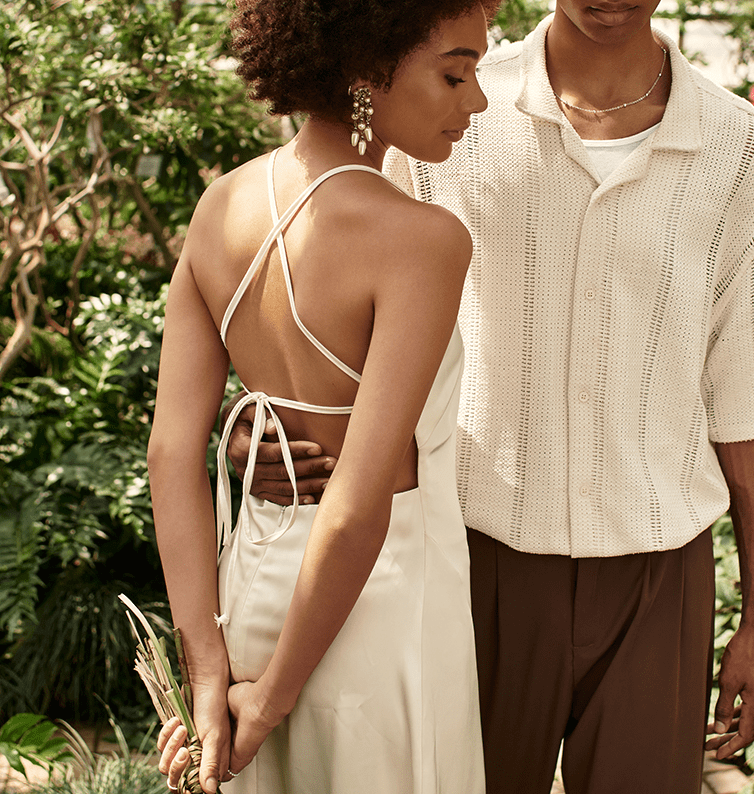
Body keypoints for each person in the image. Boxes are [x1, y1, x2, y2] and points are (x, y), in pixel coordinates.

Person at [226, 1, 754, 792]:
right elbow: (324, 287)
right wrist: (262, 431)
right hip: (468, 557)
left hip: (660, 576)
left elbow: (750, 391)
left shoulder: (737, 147)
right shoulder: (444, 101)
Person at [147, 1, 499, 792]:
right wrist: (267, 703)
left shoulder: (218, 209)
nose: (474, 101)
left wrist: (210, 673)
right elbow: (356, 505)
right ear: (369, 65)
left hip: (254, 588)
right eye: (456, 72)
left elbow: (170, 454)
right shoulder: (422, 240)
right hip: (380, 609)